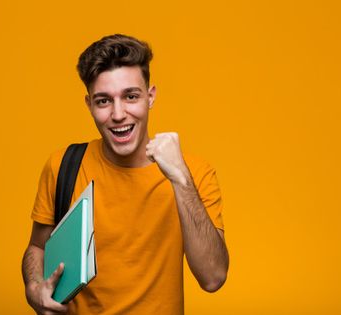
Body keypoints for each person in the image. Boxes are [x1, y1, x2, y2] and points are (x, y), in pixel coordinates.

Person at [22, 34, 229, 315]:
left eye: (131, 96)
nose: (118, 114)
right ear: (89, 105)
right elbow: (37, 247)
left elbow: (213, 277)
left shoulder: (193, 173)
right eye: (104, 101)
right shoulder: (63, 166)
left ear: (150, 97)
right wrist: (35, 289)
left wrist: (180, 179)